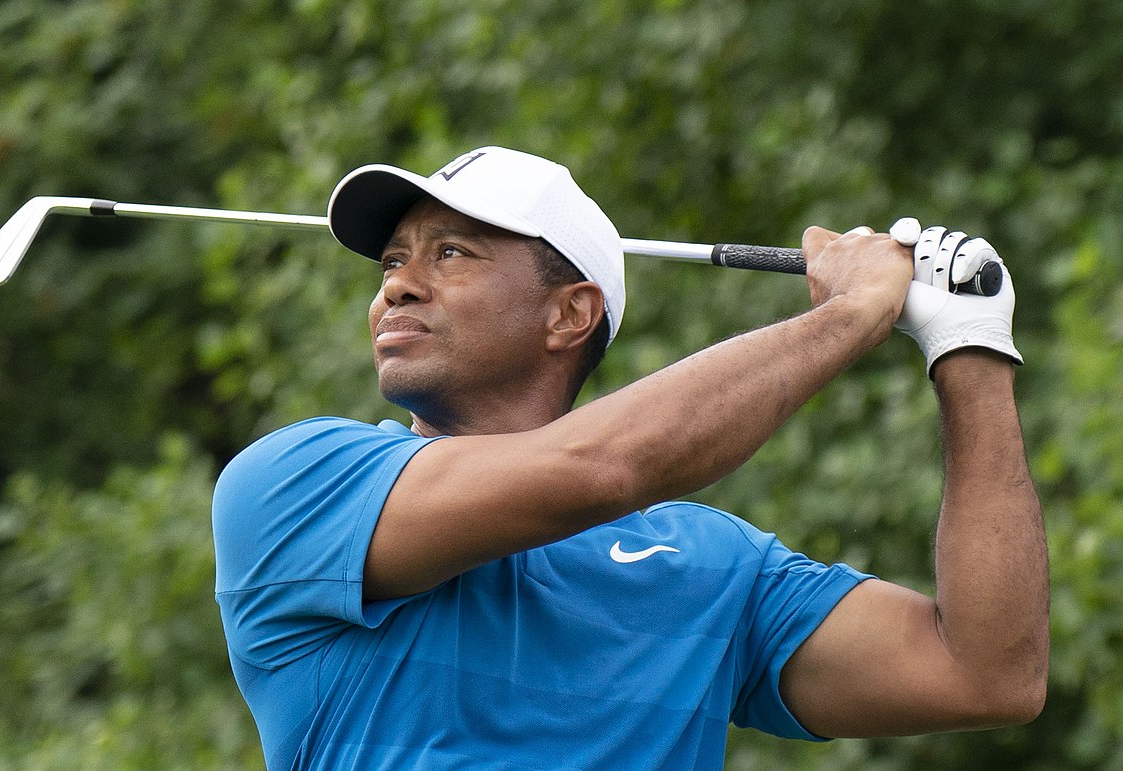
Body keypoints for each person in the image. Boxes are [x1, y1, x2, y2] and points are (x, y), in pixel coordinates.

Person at [212, 146, 1048, 769]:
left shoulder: (715, 567)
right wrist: (853, 313)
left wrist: (967, 344)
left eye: (450, 253)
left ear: (570, 314)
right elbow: (600, 467)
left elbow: (987, 674)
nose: (396, 283)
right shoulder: (293, 486)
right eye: (394, 259)